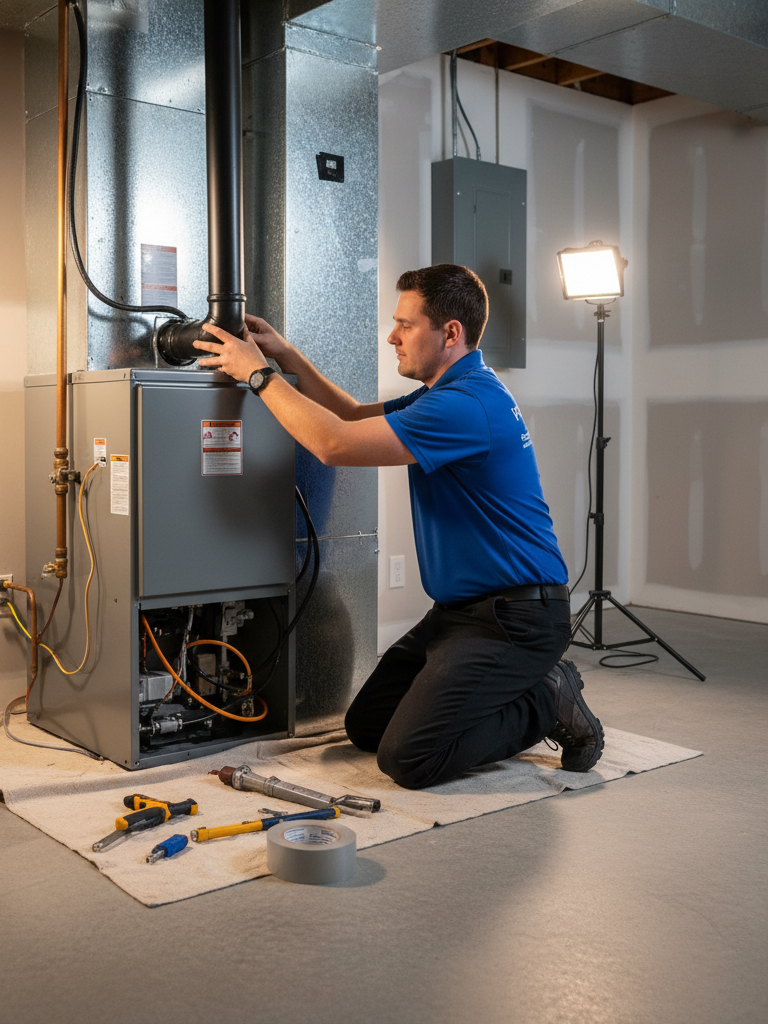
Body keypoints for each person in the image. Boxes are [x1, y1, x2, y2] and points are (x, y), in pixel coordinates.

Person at [195, 264, 604, 789]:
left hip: (516, 618)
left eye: (405, 325)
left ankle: (547, 700)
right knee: (366, 727)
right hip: (460, 615)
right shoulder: (449, 391)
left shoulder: (464, 405)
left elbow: (334, 445)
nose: (392, 336)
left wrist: (258, 374)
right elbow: (350, 416)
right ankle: (508, 692)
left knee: (411, 759)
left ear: (450, 333)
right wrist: (286, 356)